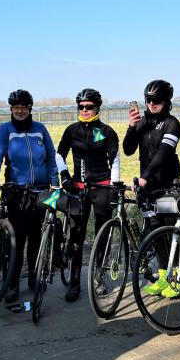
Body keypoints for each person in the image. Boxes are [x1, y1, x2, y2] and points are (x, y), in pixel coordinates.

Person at [0, 89, 59, 303]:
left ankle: (34, 279)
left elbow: (51, 157)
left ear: (30, 109)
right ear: (11, 109)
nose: (19, 111)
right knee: (16, 242)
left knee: (36, 237)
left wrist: (55, 184)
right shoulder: (5, 130)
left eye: (23, 107)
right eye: (15, 107)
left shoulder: (40, 129)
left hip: (41, 190)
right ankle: (12, 284)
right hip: (17, 192)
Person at [56, 88, 120, 302]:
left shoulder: (107, 131)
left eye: (89, 106)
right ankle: (74, 282)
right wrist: (64, 174)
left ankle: (98, 278)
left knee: (102, 234)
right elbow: (59, 155)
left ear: (97, 108)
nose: (84, 110)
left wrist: (115, 186)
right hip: (78, 188)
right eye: (81, 107)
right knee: (76, 235)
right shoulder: (71, 130)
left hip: (101, 187)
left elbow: (116, 160)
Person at [122, 79, 180, 230]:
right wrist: (131, 127)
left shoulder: (172, 123)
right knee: (154, 237)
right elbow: (128, 150)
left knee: (168, 233)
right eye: (148, 99)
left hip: (167, 186)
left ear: (167, 100)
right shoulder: (142, 123)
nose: (151, 103)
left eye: (156, 100)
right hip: (147, 187)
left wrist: (143, 178)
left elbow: (163, 153)